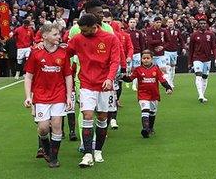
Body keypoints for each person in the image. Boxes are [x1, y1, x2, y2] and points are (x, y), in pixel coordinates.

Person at [66, 14, 121, 168]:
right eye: (81, 30)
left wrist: (110, 78)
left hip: (105, 85)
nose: (83, 33)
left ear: (94, 26)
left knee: (103, 118)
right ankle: (87, 154)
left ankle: (98, 150)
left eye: (85, 30)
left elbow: (115, 60)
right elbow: (66, 53)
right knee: (87, 115)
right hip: (86, 84)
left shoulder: (110, 38)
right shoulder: (77, 39)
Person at [23, 22, 74, 168]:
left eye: (59, 33)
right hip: (40, 95)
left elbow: (68, 76)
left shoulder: (63, 52)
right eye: (55, 34)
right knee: (44, 128)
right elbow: (28, 76)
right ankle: (45, 147)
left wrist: (69, 96)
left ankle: (54, 157)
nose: (59, 36)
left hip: (58, 94)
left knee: (57, 124)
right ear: (44, 36)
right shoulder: (36, 52)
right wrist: (28, 96)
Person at [123, 49, 173, 138]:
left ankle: (150, 127)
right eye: (144, 58)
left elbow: (162, 80)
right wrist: (123, 77)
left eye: (148, 58)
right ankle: (145, 129)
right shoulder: (138, 69)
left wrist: (168, 87)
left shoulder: (156, 69)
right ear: (141, 59)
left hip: (154, 95)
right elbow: (130, 79)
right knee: (145, 110)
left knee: (152, 112)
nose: (145, 60)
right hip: (143, 94)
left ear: (152, 59)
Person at [188, 19, 216, 103]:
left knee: (205, 77)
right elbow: (191, 49)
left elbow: (214, 47)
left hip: (207, 59)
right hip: (197, 58)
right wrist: (190, 62)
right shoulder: (194, 35)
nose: (202, 25)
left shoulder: (211, 34)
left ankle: (203, 95)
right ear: (198, 25)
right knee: (198, 75)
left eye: (204, 23)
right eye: (201, 23)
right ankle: (200, 95)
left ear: (207, 24)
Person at [164, 17, 183, 87]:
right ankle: (168, 82)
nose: (170, 23)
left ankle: (171, 81)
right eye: (169, 22)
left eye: (171, 22)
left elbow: (181, 40)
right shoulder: (164, 31)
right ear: (166, 23)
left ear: (173, 23)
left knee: (173, 67)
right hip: (166, 51)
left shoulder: (177, 31)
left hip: (174, 51)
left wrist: (183, 47)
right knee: (167, 66)